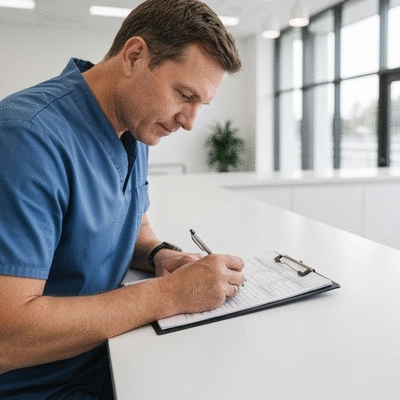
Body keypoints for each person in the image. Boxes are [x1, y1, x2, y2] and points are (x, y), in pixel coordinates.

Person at [0, 0, 244, 398]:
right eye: (184, 95)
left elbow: (128, 226)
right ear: (134, 56)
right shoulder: (26, 139)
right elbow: (5, 336)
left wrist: (161, 256)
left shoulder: (135, 126)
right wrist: (169, 295)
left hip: (110, 356)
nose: (189, 121)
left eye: (201, 104)